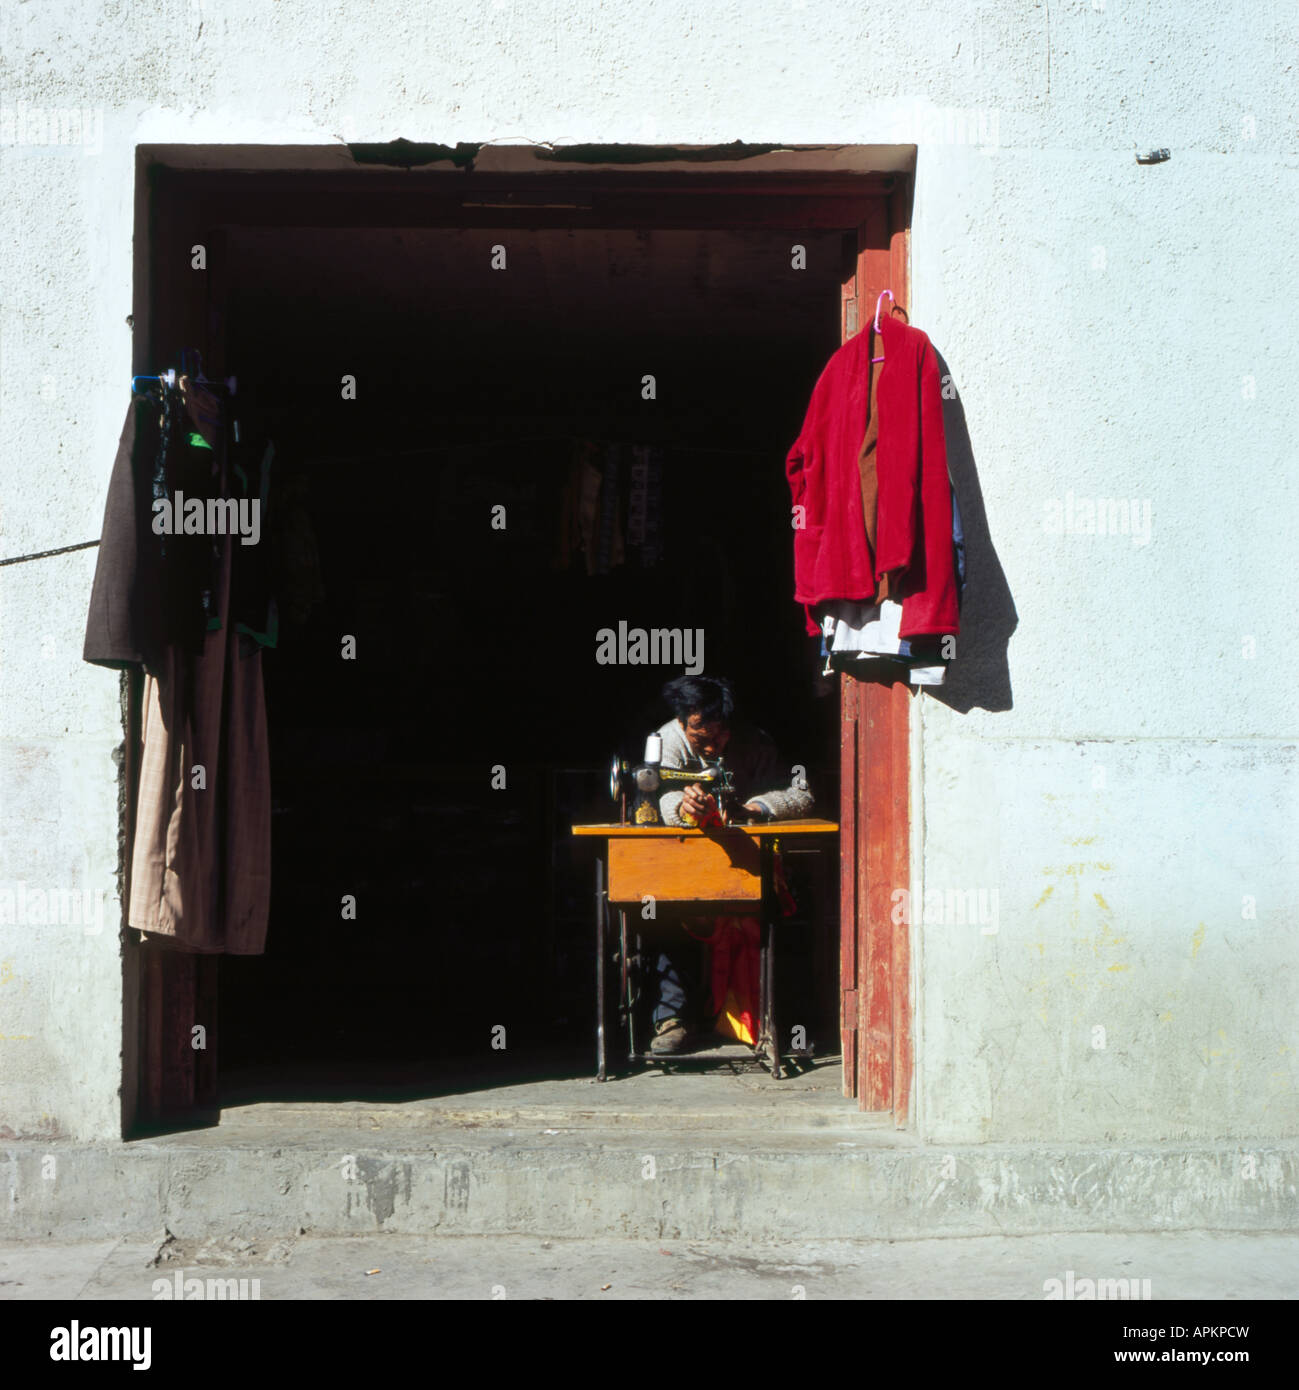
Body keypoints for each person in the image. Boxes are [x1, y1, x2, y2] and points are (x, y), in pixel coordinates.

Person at [648, 675, 813, 1055]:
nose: (709, 745)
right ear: (681, 722)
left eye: (718, 737)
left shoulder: (755, 743)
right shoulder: (666, 743)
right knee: (662, 914)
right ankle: (673, 1018)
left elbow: (800, 793)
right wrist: (683, 808)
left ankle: (770, 1018)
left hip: (747, 861)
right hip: (684, 859)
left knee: (774, 914)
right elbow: (660, 796)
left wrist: (754, 808)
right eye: (699, 737)